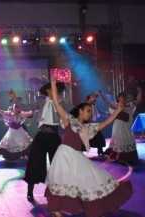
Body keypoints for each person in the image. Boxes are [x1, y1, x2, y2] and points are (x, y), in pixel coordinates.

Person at [45, 78, 133, 217]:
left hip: (77, 156)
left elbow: (105, 123)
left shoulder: (88, 128)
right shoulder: (69, 120)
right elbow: (57, 103)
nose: (89, 114)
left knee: (92, 178)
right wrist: (54, 86)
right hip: (64, 156)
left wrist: (118, 111)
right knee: (63, 182)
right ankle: (55, 209)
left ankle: (94, 209)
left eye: (90, 112)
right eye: (87, 111)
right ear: (80, 111)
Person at [9, 81, 73, 202]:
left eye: (53, 89)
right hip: (41, 135)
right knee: (34, 161)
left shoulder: (61, 104)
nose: (51, 91)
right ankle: (30, 190)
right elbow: (25, 107)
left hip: (54, 135)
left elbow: (74, 110)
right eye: (49, 89)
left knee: (57, 164)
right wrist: (14, 98)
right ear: (47, 91)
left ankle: (58, 191)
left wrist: (86, 105)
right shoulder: (41, 103)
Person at [98, 87, 142, 163]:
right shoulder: (115, 106)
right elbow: (105, 103)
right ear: (118, 98)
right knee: (118, 139)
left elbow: (138, 101)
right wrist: (100, 94)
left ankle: (128, 155)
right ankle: (118, 155)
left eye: (125, 97)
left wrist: (140, 92)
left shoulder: (129, 105)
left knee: (127, 138)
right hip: (118, 126)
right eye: (122, 97)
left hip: (127, 126)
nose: (124, 98)